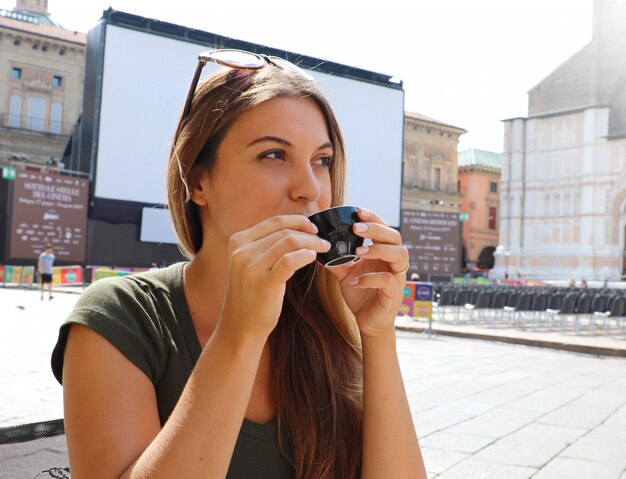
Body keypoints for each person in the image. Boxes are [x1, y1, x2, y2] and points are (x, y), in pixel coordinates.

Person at [52, 49, 426, 478]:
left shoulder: (328, 320)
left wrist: (377, 336)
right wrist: (241, 333)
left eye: (321, 161)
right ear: (197, 181)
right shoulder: (123, 317)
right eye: (273, 155)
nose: (310, 190)